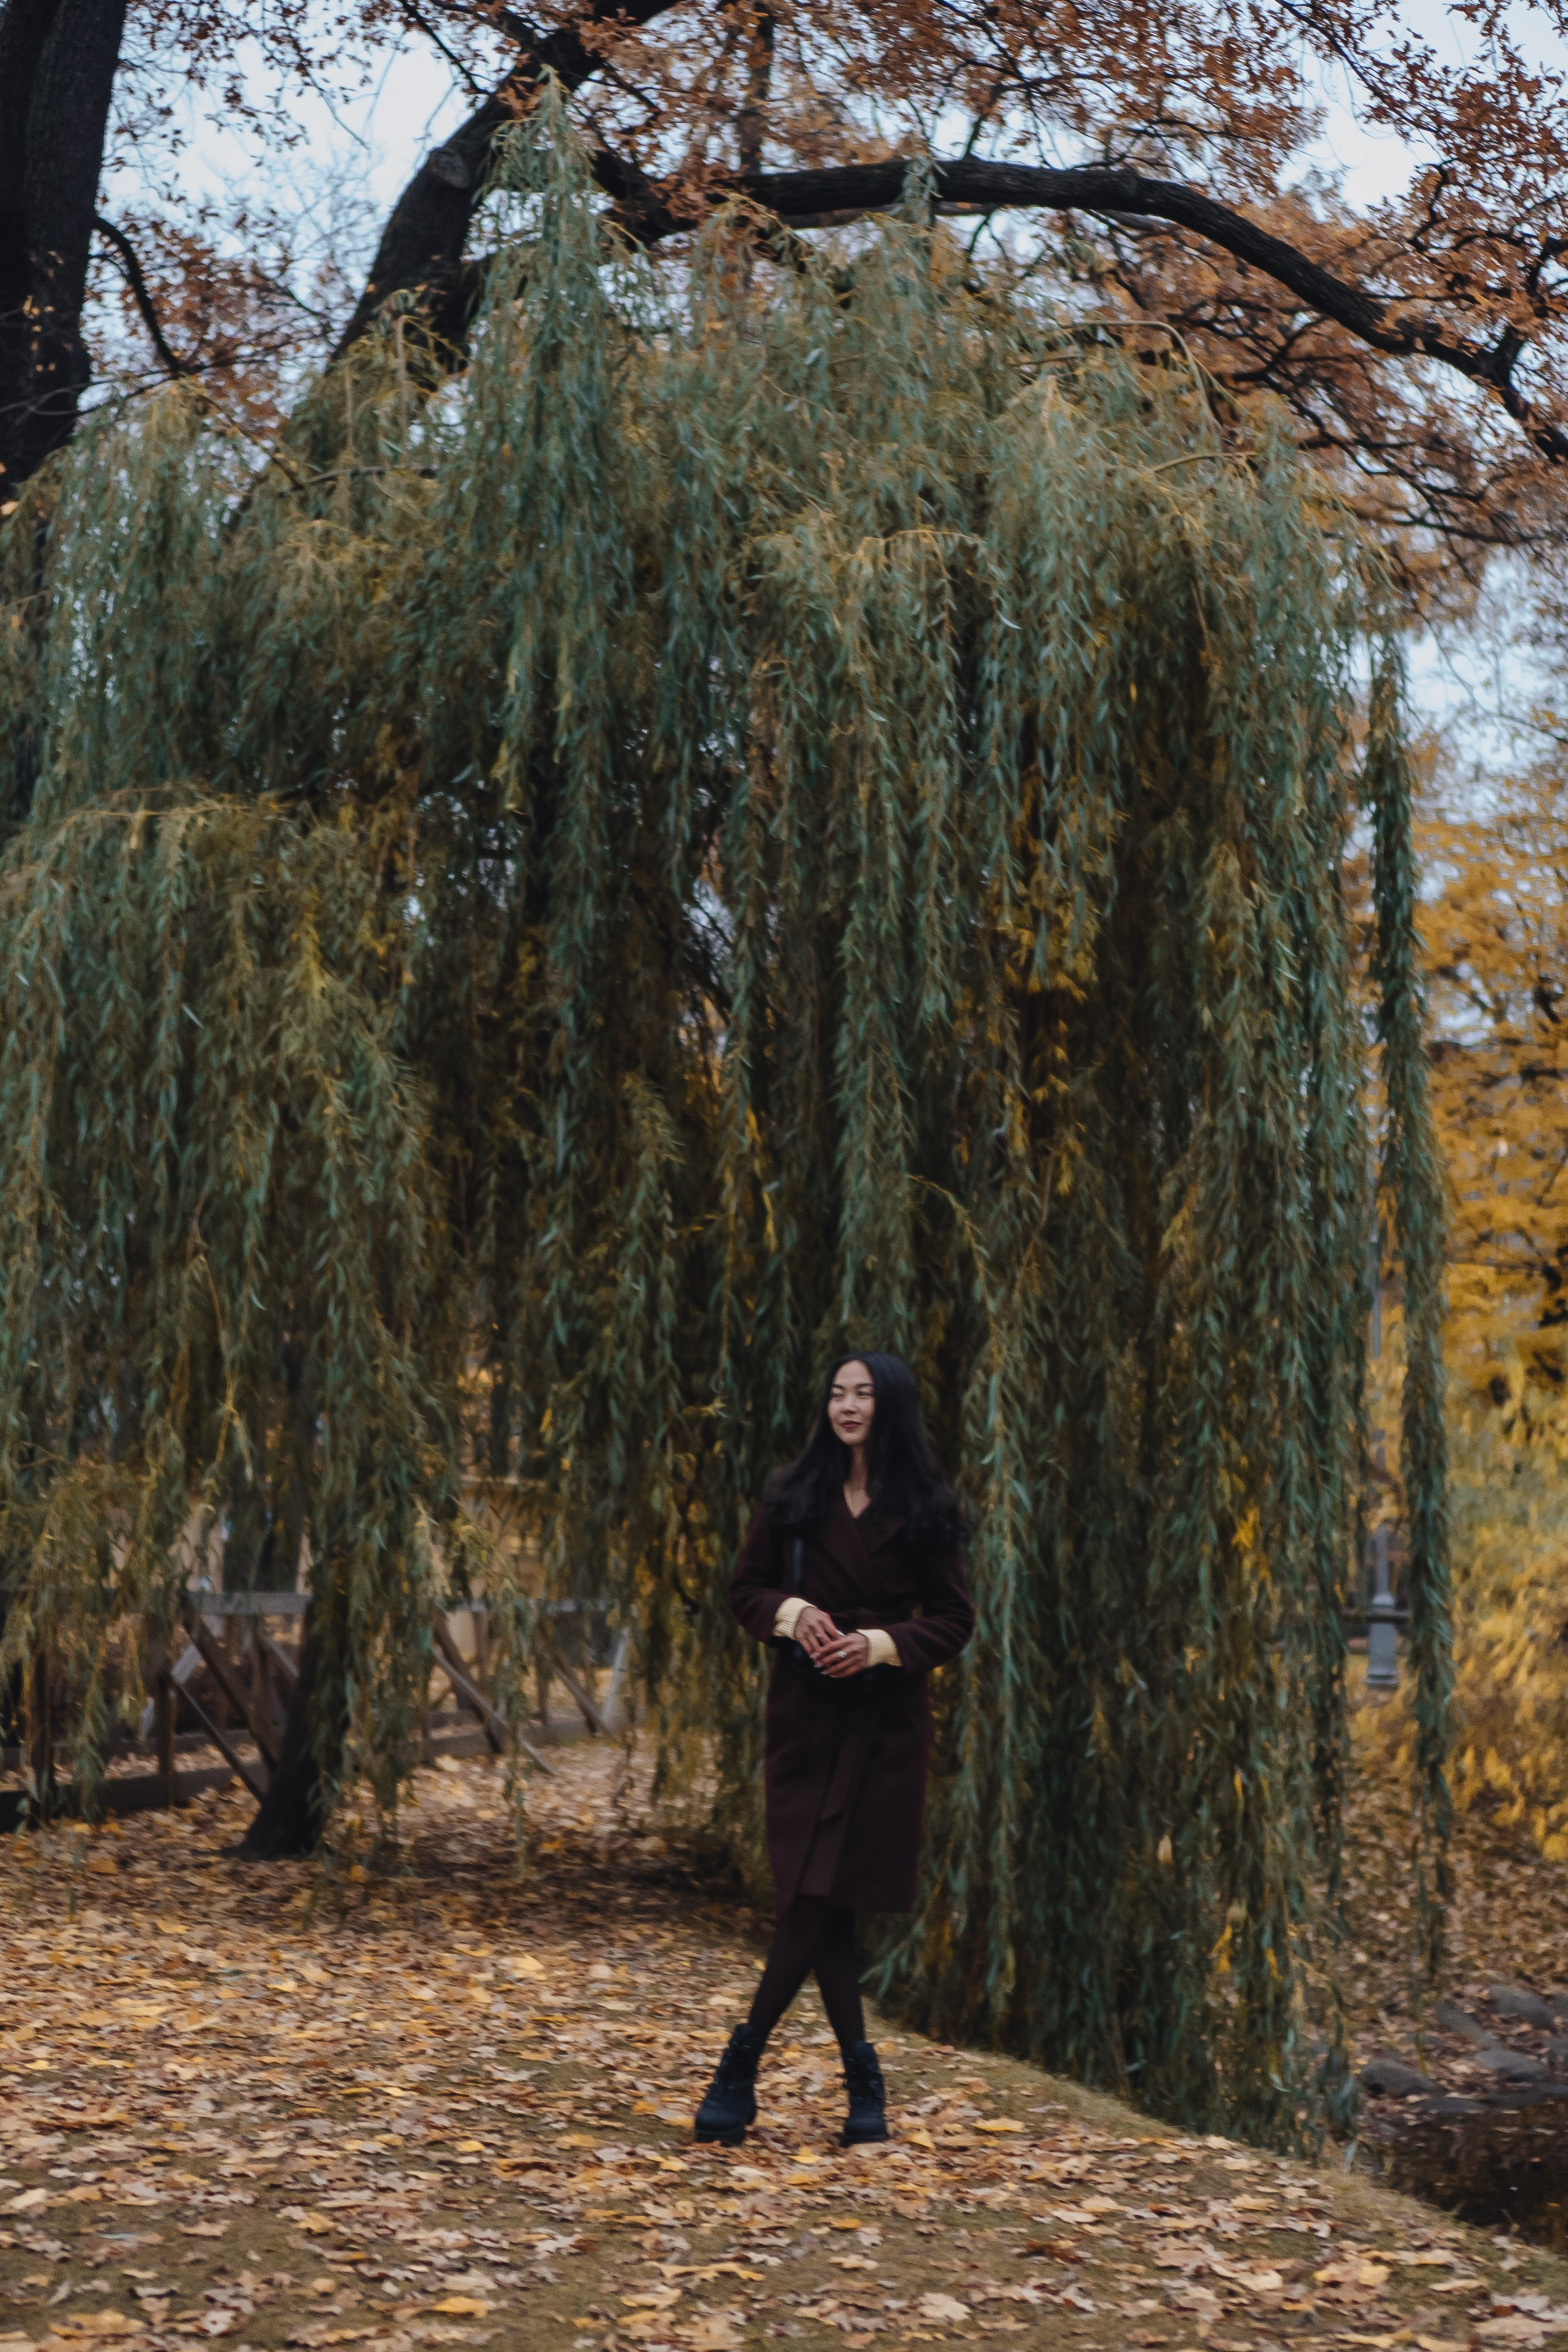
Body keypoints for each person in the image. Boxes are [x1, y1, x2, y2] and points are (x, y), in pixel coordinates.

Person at [694, 1352, 974, 2149]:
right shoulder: (793, 1494)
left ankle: (739, 2076)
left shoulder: (926, 1506)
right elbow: (744, 1589)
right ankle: (862, 2089)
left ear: (893, 1408)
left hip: (884, 1725)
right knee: (819, 1902)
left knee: (823, 1902)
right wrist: (794, 1616)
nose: (847, 1405)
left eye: (865, 1394)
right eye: (838, 1393)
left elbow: (956, 1619)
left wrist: (880, 1643)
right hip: (806, 1720)